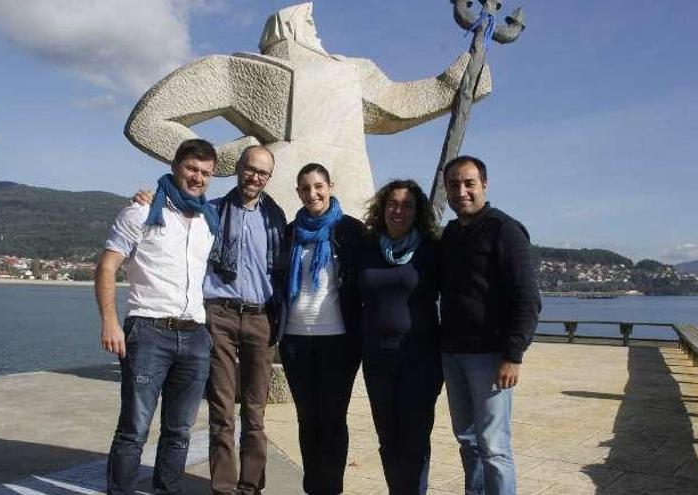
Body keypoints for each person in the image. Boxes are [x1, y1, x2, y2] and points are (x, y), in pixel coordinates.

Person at [124, 2, 491, 218]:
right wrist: (221, 160)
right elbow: (147, 121)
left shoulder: (348, 69)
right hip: (280, 191)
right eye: (311, 22)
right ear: (291, 27)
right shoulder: (240, 69)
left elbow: (396, 106)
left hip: (352, 189)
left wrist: (452, 85)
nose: (317, 32)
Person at [133, 145, 287, 495]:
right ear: (238, 169)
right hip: (218, 315)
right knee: (221, 410)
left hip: (261, 318)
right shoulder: (211, 212)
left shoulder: (276, 220)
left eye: (263, 172)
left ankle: (250, 487)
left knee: (255, 412)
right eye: (250, 169)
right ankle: (223, 488)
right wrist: (149, 197)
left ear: (269, 178)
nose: (255, 177)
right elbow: (173, 211)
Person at [94, 138, 219, 495]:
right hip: (148, 331)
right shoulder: (141, 212)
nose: (197, 178)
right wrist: (110, 321)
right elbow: (106, 267)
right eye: (191, 169)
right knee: (134, 430)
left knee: (179, 433)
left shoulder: (208, 220)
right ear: (176, 166)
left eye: (205, 173)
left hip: (195, 336)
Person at [439, 155, 540, 495]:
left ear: (484, 184)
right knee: (468, 441)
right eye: (454, 184)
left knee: (495, 447)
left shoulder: (504, 229)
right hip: (453, 354)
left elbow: (527, 297)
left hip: (491, 357)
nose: (461, 191)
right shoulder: (451, 233)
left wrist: (513, 354)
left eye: (469, 183)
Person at [276, 163, 363, 495]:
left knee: (332, 418)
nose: (313, 193)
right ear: (298, 192)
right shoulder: (289, 233)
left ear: (330, 186)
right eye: (305, 188)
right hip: (296, 341)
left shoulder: (351, 231)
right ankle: (313, 487)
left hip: (338, 342)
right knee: (306, 419)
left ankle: (332, 488)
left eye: (318, 186)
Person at [358, 179, 443, 494]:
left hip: (420, 359)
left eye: (407, 205)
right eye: (393, 203)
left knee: (415, 439)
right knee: (388, 439)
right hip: (378, 359)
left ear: (417, 211)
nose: (399, 210)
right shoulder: (367, 247)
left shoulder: (431, 249)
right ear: (382, 208)